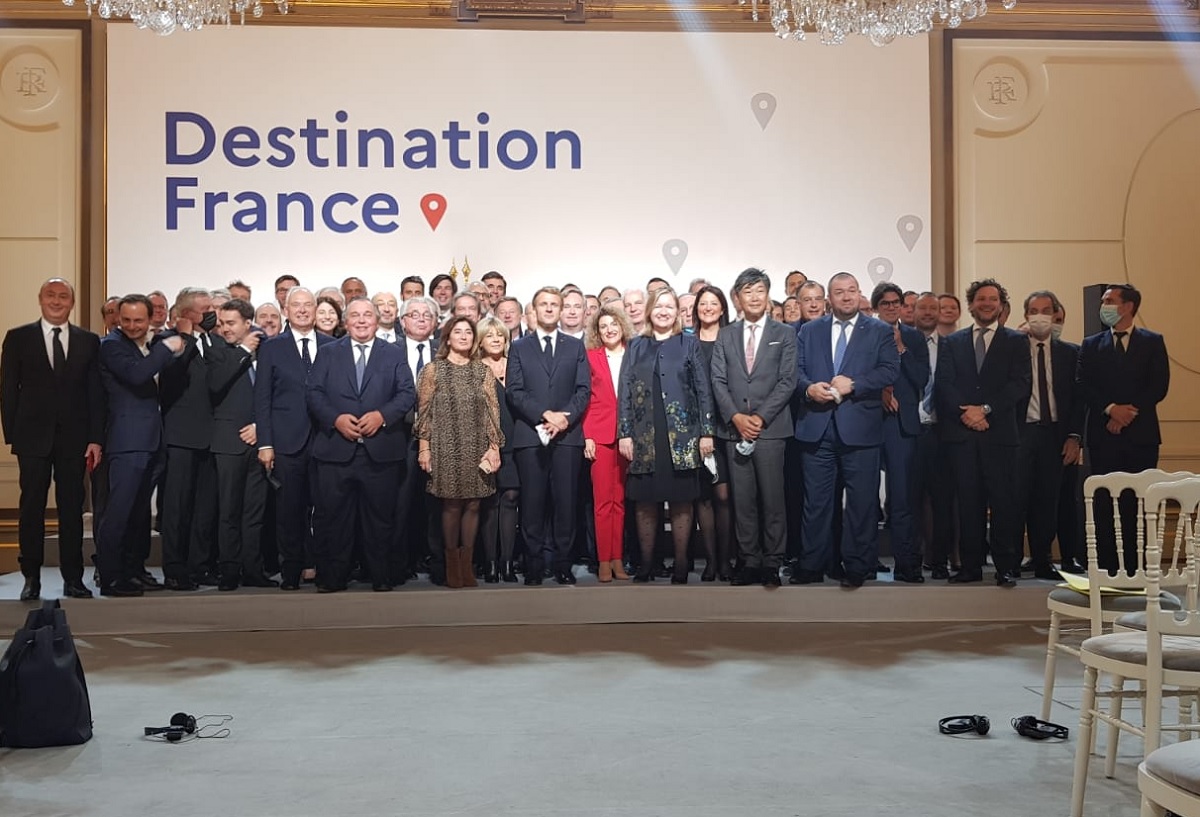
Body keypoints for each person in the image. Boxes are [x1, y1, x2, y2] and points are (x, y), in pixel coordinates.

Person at [0, 278, 105, 601]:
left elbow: (95, 394)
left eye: (63, 296)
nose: (57, 301)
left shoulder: (89, 341)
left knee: (71, 509)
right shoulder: (19, 338)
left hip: (75, 440)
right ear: (40, 299)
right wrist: (13, 434)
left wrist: (95, 438)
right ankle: (31, 577)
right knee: (31, 507)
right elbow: (7, 389)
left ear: (72, 303)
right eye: (51, 295)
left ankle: (74, 578)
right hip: (32, 438)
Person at [793, 273, 899, 589]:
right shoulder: (810, 331)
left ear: (859, 294)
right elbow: (794, 371)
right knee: (817, 502)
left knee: (862, 502)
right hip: (817, 427)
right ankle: (812, 565)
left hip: (861, 429)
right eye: (839, 292)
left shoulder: (879, 330)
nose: (847, 296)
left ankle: (858, 565)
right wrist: (808, 388)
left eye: (852, 291)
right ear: (830, 298)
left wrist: (854, 384)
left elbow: (890, 369)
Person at [306, 297, 415, 592]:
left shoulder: (393, 353)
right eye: (356, 315)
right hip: (335, 450)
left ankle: (381, 577)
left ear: (377, 320)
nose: (362, 320)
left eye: (368, 314)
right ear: (346, 321)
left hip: (380, 451)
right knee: (333, 519)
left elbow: (407, 393)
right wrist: (335, 419)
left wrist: (382, 416)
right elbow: (314, 393)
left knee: (380, 520)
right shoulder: (328, 353)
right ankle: (332, 578)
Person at [935, 278, 1031, 586]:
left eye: (992, 299)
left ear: (1001, 305)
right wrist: (968, 415)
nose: (986, 303)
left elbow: (1019, 384)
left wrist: (985, 410)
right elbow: (944, 384)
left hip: (1000, 434)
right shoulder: (953, 342)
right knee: (968, 503)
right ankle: (970, 567)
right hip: (963, 436)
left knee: (1003, 503)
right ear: (972, 304)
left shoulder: (1016, 341)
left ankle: (1005, 567)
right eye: (980, 299)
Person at [619, 286, 714, 584]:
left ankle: (682, 565)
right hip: (644, 435)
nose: (663, 311)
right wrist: (625, 433)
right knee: (645, 501)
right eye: (658, 306)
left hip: (683, 435)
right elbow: (624, 391)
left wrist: (706, 433)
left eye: (669, 306)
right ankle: (647, 564)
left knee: (682, 501)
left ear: (677, 312)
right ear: (649, 311)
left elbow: (703, 390)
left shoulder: (689, 344)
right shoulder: (636, 346)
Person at [711, 269, 797, 587]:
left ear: (768, 294)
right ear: (737, 298)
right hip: (735, 431)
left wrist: (760, 418)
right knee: (742, 500)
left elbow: (788, 380)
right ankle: (749, 560)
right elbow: (718, 380)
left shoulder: (784, 334)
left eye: (760, 290)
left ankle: (772, 561)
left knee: (773, 499)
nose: (755, 297)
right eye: (748, 292)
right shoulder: (725, 335)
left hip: (771, 429)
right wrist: (735, 417)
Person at [1076, 282, 1170, 570]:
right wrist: (1111, 410)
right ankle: (1106, 567)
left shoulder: (1152, 341)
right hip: (1103, 435)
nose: (1104, 306)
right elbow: (1083, 384)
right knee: (1105, 503)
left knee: (1137, 503)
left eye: (1110, 300)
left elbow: (1159, 385)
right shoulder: (1091, 344)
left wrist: (1128, 413)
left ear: (1128, 307)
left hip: (1141, 436)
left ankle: (1136, 566)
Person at [94, 295, 183, 597]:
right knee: (118, 512)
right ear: (118, 317)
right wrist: (165, 347)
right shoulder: (111, 345)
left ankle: (132, 571)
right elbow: (137, 374)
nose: (132, 326)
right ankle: (110, 577)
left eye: (139, 321)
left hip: (151, 440)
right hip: (127, 441)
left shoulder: (147, 343)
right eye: (126, 319)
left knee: (138, 514)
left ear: (149, 320)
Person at [506, 286, 591, 586]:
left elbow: (583, 390)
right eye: (544, 304)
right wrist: (545, 415)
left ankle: (563, 565)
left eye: (555, 304)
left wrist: (563, 418)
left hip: (567, 437)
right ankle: (533, 565)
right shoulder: (518, 347)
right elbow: (514, 391)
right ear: (535, 309)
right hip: (530, 435)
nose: (550, 309)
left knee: (566, 504)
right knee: (532, 504)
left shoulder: (574, 346)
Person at [256, 287, 335, 590]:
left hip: (326, 441)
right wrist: (265, 443)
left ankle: (322, 567)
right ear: (285, 311)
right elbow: (262, 398)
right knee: (289, 512)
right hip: (287, 443)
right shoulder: (272, 348)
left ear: (316, 310)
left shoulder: (332, 345)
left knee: (326, 510)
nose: (302, 310)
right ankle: (291, 571)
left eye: (308, 305)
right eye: (296, 306)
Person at [415, 317, 503, 589]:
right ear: (447, 338)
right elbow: (425, 412)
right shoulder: (433, 370)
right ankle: (452, 566)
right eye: (458, 332)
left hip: (476, 444)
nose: (464, 336)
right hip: (444, 445)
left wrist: (494, 446)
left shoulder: (482, 371)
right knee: (451, 504)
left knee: (475, 503)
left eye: (468, 332)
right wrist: (424, 447)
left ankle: (467, 567)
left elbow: (492, 411)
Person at [207, 299, 274, 590]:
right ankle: (229, 572)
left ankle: (254, 570)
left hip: (260, 442)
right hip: (227, 442)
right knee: (229, 512)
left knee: (254, 513)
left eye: (230, 323)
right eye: (221, 323)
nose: (224, 328)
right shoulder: (217, 351)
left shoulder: (269, 350)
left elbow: (276, 394)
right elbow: (216, 384)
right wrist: (244, 350)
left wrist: (262, 429)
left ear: (249, 324)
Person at [1016, 290, 1083, 579]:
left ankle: (1043, 559)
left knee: (1047, 499)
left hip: (1055, 433)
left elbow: (1079, 400)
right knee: (1016, 498)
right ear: (1026, 315)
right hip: (1021, 433)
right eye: (1034, 310)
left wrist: (1074, 436)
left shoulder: (1070, 352)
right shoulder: (1013, 347)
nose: (1040, 315)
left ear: (1055, 314)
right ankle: (1012, 560)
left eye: (1046, 310)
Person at [158, 287, 219, 590]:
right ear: (185, 315)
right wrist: (187, 337)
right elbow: (172, 372)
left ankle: (199, 565)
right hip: (180, 437)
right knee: (177, 507)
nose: (211, 313)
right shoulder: (168, 342)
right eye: (204, 308)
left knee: (203, 508)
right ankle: (174, 567)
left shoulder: (213, 341)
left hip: (210, 437)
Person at [872, 282, 930, 583]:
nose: (892, 307)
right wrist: (880, 388)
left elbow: (922, 378)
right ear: (876, 307)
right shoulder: (862, 333)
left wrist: (901, 349)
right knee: (865, 497)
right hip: (868, 421)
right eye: (885, 303)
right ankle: (865, 561)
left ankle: (907, 564)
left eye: (896, 303)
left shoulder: (913, 337)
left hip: (902, 425)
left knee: (903, 498)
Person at [583, 303, 634, 583]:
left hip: (629, 437)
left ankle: (618, 559)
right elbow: (586, 399)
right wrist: (587, 435)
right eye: (603, 326)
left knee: (621, 502)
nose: (609, 329)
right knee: (603, 502)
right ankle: (604, 560)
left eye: (613, 324)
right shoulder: (590, 357)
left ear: (622, 325)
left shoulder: (634, 353)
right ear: (597, 331)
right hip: (600, 436)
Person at [394, 297, 443, 583]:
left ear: (436, 322)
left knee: (436, 503)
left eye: (428, 315)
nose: (422, 319)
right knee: (401, 503)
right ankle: (402, 562)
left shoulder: (445, 351)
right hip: (399, 436)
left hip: (439, 437)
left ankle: (434, 561)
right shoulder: (389, 352)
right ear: (403, 322)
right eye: (414, 314)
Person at [910, 292, 957, 579]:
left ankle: (939, 560)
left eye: (933, 308)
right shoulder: (901, 343)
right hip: (910, 431)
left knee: (943, 501)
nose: (928, 312)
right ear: (912, 311)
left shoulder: (952, 346)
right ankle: (912, 560)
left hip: (942, 431)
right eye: (922, 308)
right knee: (910, 501)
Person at [693, 285, 734, 581]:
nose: (707, 308)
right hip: (694, 429)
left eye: (713, 303)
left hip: (727, 427)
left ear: (722, 308)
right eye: (702, 303)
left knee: (724, 496)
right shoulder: (686, 341)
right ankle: (710, 560)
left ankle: (726, 559)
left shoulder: (733, 338)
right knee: (703, 497)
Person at [476, 316, 520, 583]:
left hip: (517, 442)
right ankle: (490, 563)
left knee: (512, 498)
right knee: (490, 501)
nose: (495, 339)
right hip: (485, 445)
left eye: (500, 335)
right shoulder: (474, 370)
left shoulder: (516, 366)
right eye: (489, 335)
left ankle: (508, 563)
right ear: (480, 341)